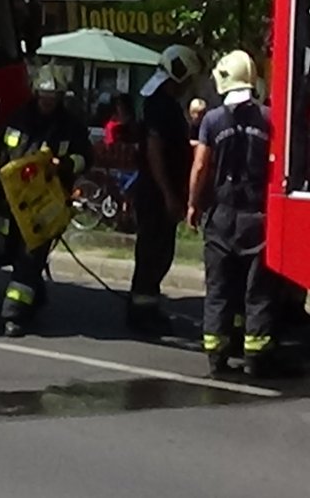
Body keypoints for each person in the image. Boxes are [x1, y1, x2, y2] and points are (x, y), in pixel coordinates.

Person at [189, 50, 300, 378]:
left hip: (222, 216)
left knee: (220, 286)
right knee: (259, 290)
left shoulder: (211, 120)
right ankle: (257, 356)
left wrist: (193, 204)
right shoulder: (269, 119)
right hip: (259, 217)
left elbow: (200, 166)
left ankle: (216, 354)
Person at [0, 65, 91, 338]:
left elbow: (85, 158)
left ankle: (12, 315)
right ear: (36, 93)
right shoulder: (18, 119)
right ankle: (35, 296)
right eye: (43, 95)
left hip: (46, 205)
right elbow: (0, 148)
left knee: (29, 256)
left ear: (61, 96)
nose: (47, 101)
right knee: (18, 255)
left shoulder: (69, 127)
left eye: (53, 96)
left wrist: (62, 165)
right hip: (14, 204)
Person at [127, 44, 204, 335]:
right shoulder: (161, 106)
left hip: (158, 189)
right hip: (157, 192)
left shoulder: (160, 103)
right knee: (153, 252)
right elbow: (155, 151)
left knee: (159, 250)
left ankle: (147, 305)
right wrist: (169, 195)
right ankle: (141, 312)